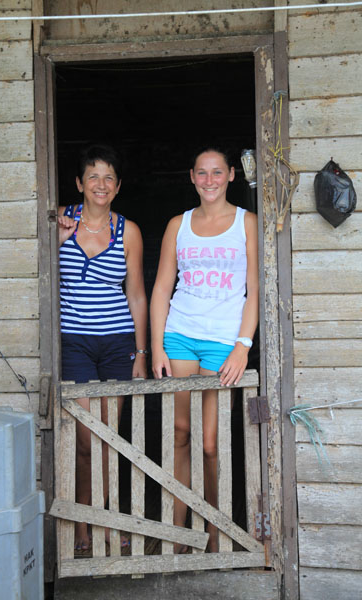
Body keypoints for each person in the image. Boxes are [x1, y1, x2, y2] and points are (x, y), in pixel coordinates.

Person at [150, 146, 258, 553]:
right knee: (180, 432)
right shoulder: (179, 224)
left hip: (222, 341)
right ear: (191, 177)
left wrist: (243, 346)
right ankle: (179, 532)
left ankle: (215, 529)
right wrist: (157, 345)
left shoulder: (247, 223)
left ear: (231, 175)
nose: (209, 180)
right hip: (180, 333)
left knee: (210, 441)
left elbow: (254, 289)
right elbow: (162, 287)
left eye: (217, 172)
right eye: (202, 173)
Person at [58, 144, 148, 552]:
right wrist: (55, 238)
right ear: (79, 183)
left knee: (109, 438)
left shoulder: (127, 231)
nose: (100, 183)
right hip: (74, 343)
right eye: (92, 176)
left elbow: (137, 295)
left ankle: (108, 522)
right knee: (82, 439)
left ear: (118, 187)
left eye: (108, 177)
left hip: (117, 344)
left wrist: (142, 353)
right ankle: (82, 526)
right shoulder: (60, 222)